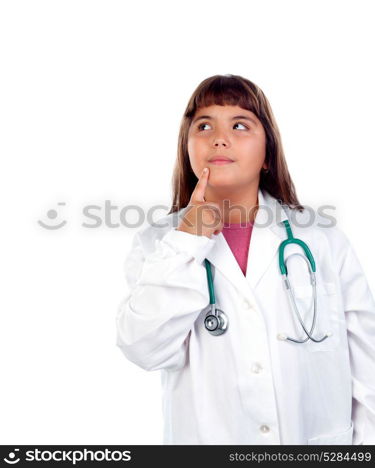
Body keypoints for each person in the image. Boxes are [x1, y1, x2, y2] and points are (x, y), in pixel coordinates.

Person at [115, 74, 375, 445]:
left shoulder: (321, 240)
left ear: (268, 154)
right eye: (203, 125)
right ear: (186, 149)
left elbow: (368, 370)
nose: (219, 138)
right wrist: (188, 242)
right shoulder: (159, 244)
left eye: (240, 124)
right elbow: (143, 348)